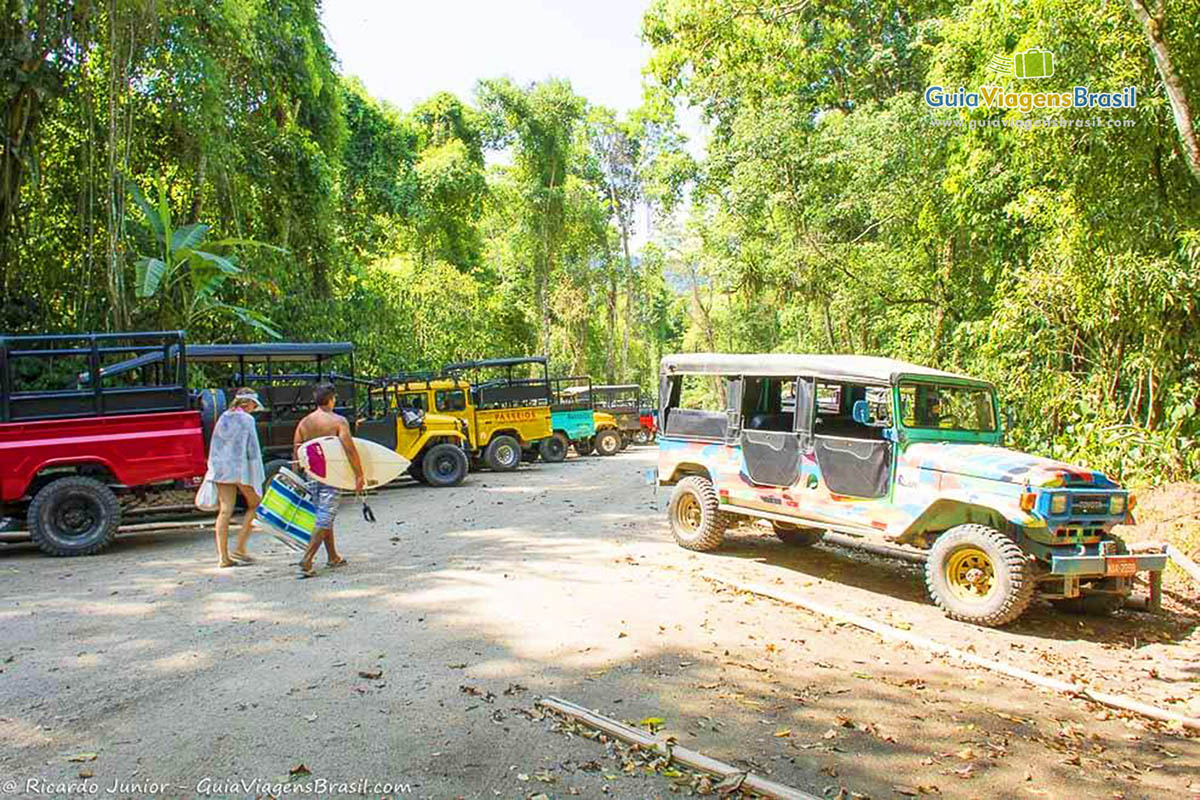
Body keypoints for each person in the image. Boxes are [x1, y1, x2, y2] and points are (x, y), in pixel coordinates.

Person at [293, 382, 364, 578]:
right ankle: (307, 559)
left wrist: (297, 474)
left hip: (312, 474)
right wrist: (359, 474)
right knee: (325, 517)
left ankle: (333, 557)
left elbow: (297, 450)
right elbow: (350, 449)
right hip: (332, 474)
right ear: (331, 399)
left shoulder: (304, 423)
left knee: (325, 515)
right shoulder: (338, 421)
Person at [207, 388, 267, 568]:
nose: (253, 409)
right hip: (240, 468)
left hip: (221, 468)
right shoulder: (247, 420)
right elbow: (252, 449)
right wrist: (256, 473)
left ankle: (223, 557)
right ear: (248, 403)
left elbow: (215, 444)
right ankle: (240, 547)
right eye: (253, 405)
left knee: (225, 511)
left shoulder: (224, 417)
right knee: (256, 503)